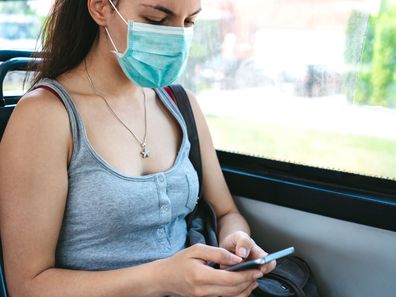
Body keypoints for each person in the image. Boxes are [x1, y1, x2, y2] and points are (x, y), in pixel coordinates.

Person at [0, 0, 276, 296]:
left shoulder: (181, 105)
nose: (176, 37)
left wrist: (235, 240)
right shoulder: (45, 115)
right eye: (157, 20)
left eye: (188, 23)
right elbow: (27, 286)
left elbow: (225, 212)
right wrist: (162, 278)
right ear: (101, 8)